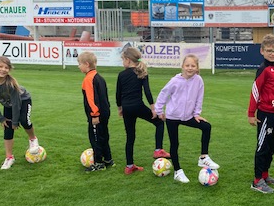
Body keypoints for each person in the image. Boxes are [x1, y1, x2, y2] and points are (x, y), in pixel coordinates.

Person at [154, 54, 219, 184]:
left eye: (193, 66)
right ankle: (178, 171)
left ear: (197, 68)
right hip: (173, 116)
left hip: (188, 116)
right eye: (187, 65)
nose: (190, 68)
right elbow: (163, 94)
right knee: (174, 144)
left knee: (206, 126)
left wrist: (196, 114)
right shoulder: (175, 81)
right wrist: (159, 110)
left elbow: (199, 98)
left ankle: (203, 157)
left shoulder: (199, 80)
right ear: (182, 66)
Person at [116, 47, 170, 175]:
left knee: (130, 137)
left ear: (128, 60)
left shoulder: (121, 74)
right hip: (138, 106)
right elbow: (147, 91)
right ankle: (158, 150)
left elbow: (118, 94)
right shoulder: (142, 73)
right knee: (159, 123)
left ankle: (129, 166)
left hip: (127, 108)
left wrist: (120, 108)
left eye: (123, 60)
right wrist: (153, 109)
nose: (123, 62)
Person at [0, 56, 40, 169]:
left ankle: (33, 139)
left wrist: (15, 122)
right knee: (7, 129)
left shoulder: (10, 84)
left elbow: (16, 104)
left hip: (23, 101)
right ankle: (9, 157)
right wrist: (1, 118)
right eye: (0, 66)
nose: (3, 69)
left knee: (24, 120)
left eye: (6, 67)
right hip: (8, 105)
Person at [247, 34, 274, 193]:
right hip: (265, 115)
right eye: (269, 50)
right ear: (262, 51)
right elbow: (255, 91)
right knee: (262, 146)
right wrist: (251, 113)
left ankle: (265, 175)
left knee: (271, 146)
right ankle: (257, 181)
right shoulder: (263, 69)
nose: (272, 53)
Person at [78, 51, 113, 171]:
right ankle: (108, 159)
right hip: (105, 111)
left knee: (95, 137)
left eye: (79, 64)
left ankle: (98, 163)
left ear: (86, 64)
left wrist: (94, 114)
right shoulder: (99, 77)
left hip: (96, 115)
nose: (78, 66)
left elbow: (91, 99)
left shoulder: (88, 79)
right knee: (104, 135)